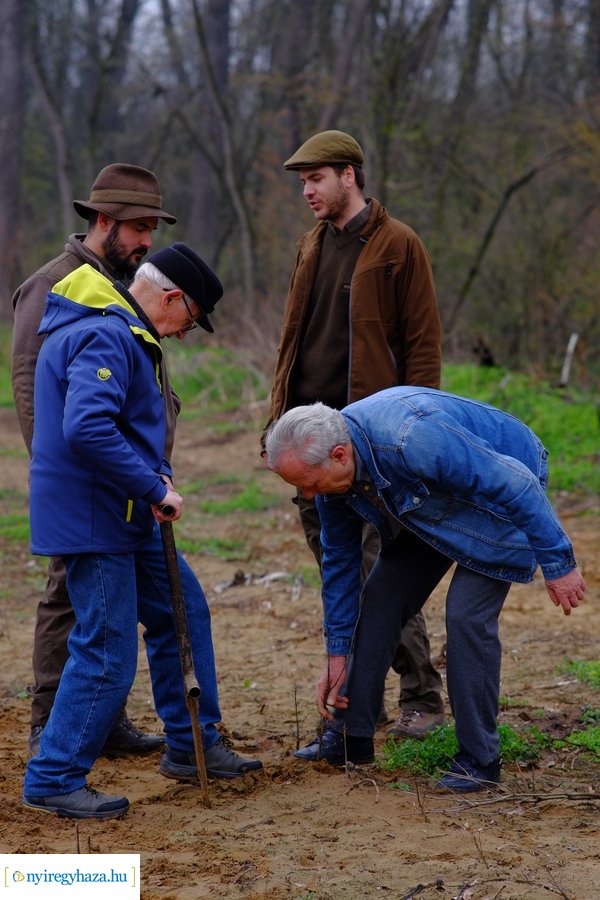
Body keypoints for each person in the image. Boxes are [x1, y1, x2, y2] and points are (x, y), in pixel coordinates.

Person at [22, 243, 262, 820]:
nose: (185, 333)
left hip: (124, 511)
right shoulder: (106, 334)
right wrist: (153, 489)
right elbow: (87, 428)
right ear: (172, 297)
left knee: (183, 611)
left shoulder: (127, 332)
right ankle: (53, 777)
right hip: (94, 517)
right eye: (191, 319)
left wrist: (158, 475)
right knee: (107, 649)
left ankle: (191, 743)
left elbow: (132, 425)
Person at [263, 388, 586, 792]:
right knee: (379, 599)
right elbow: (340, 563)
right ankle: (350, 737)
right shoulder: (330, 472)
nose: (309, 496)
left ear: (340, 455)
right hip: (434, 496)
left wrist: (559, 563)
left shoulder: (411, 438)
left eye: (309, 484)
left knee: (466, 616)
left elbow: (515, 484)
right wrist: (337, 652)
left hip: (506, 485)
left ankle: (480, 759)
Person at [264, 130, 444, 740]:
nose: (307, 192)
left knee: (383, 571)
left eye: (315, 179)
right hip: (308, 447)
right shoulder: (310, 245)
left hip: (371, 445)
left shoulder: (399, 244)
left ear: (349, 175)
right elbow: (293, 341)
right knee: (337, 575)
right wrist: (277, 423)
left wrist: (418, 435)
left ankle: (421, 696)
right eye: (302, 183)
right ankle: (356, 708)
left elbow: (422, 346)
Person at [11, 163, 179, 757]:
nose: (146, 241)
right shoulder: (53, 283)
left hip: (120, 479)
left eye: (151, 229)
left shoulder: (116, 283)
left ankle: (103, 722)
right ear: (103, 221)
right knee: (68, 592)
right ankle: (48, 723)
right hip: (84, 480)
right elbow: (30, 383)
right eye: (138, 228)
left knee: (109, 602)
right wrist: (70, 476)